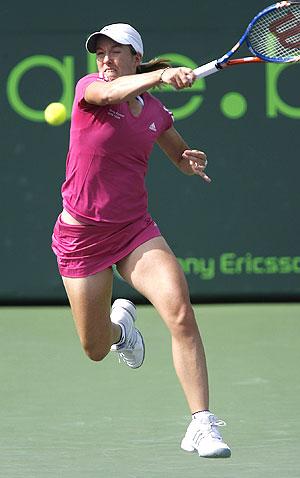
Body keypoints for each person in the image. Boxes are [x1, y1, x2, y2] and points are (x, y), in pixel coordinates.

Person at [52, 22, 231, 458]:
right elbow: (110, 94)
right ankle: (121, 332)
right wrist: (162, 75)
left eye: (118, 52)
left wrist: (188, 161)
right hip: (81, 236)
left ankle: (201, 425)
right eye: (101, 53)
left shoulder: (154, 113)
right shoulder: (90, 90)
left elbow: (176, 152)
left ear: (135, 56)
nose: (107, 60)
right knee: (94, 347)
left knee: (179, 310)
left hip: (134, 230)